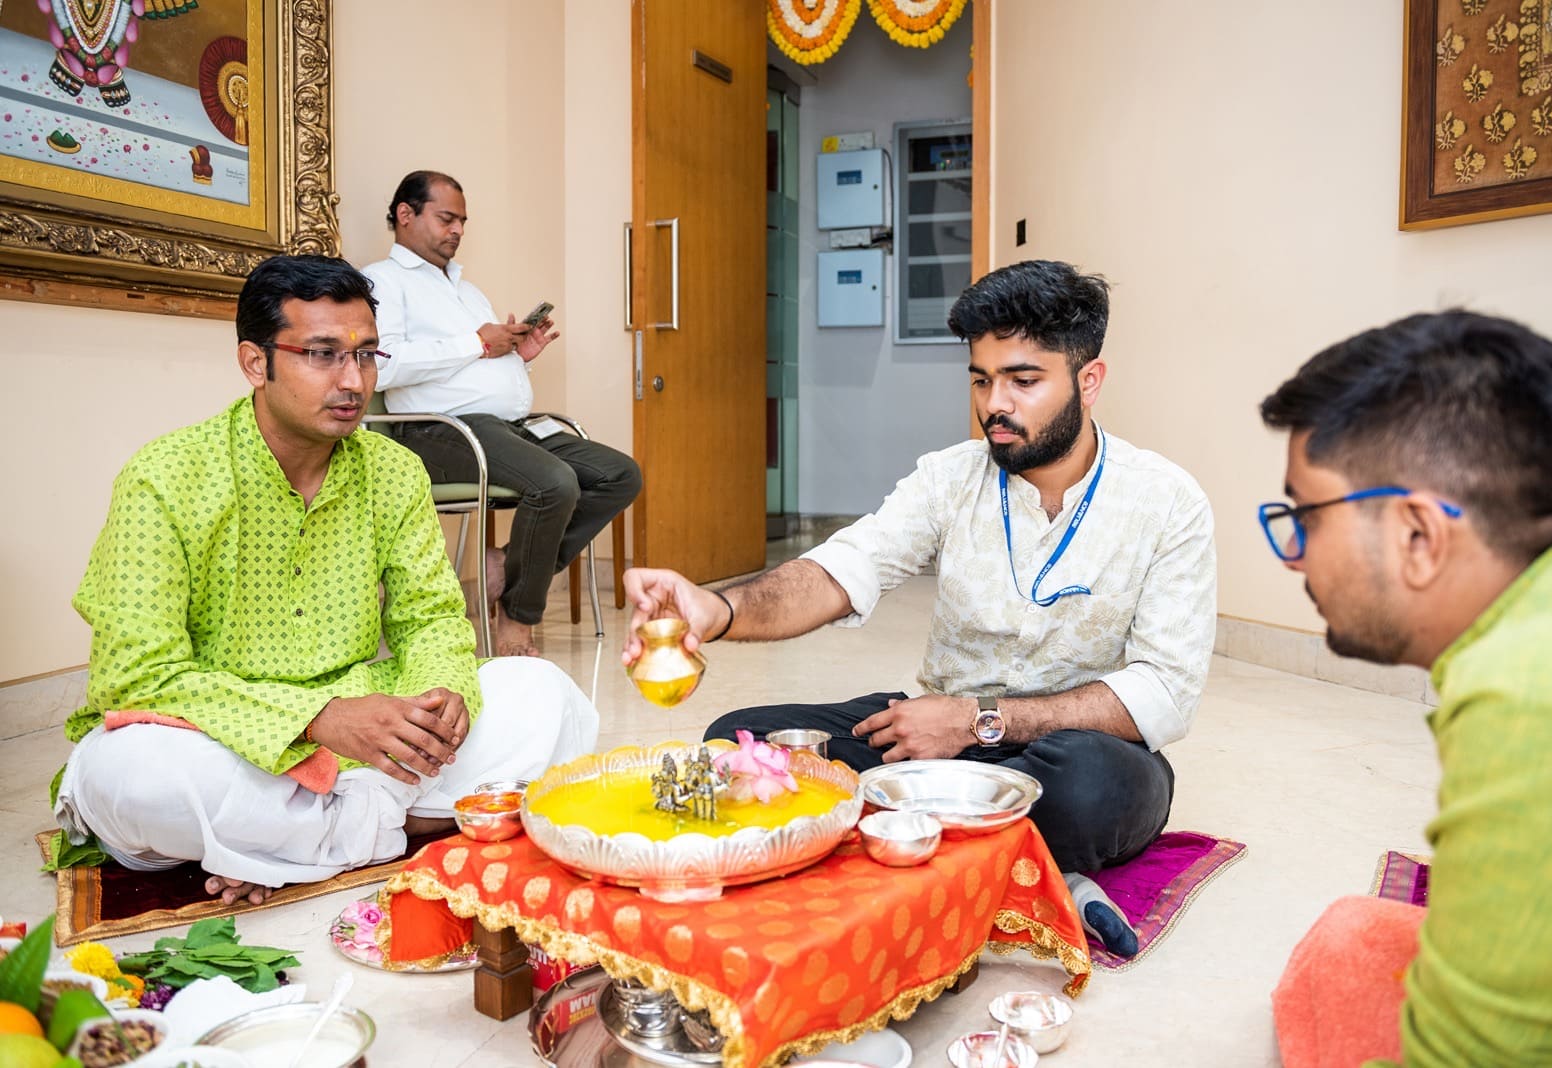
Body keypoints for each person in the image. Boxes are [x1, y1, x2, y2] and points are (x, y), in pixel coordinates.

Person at [622, 260, 1217, 955]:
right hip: (938, 743)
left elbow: (1164, 692)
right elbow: (840, 571)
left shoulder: (1167, 502)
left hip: (1077, 751)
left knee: (1088, 790)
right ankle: (1031, 873)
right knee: (740, 740)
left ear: (1089, 380)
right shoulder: (949, 478)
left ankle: (912, 842)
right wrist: (715, 609)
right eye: (981, 379)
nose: (995, 404)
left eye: (1023, 381)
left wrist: (976, 721)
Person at [52, 254, 599, 905]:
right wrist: (317, 719)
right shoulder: (165, 478)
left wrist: (442, 697)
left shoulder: (393, 470)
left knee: (544, 696)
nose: (353, 380)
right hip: (225, 738)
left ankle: (293, 843)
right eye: (323, 355)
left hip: (368, 737)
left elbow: (430, 619)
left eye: (366, 355)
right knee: (126, 774)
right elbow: (137, 677)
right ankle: (398, 826)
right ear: (255, 363)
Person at [1259, 311, 1552, 1067]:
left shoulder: (1532, 700)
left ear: (1419, 535)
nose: (1292, 555)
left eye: (1307, 515)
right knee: (1354, 938)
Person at [363, 170, 642, 658]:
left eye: (462, 221)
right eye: (446, 218)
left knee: (619, 474)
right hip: (438, 432)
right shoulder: (381, 281)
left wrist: (519, 357)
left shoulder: (467, 290)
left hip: (502, 429)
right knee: (553, 483)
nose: (457, 230)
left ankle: (505, 568)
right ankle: (518, 616)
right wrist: (476, 341)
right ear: (405, 214)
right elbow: (382, 367)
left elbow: (479, 364)